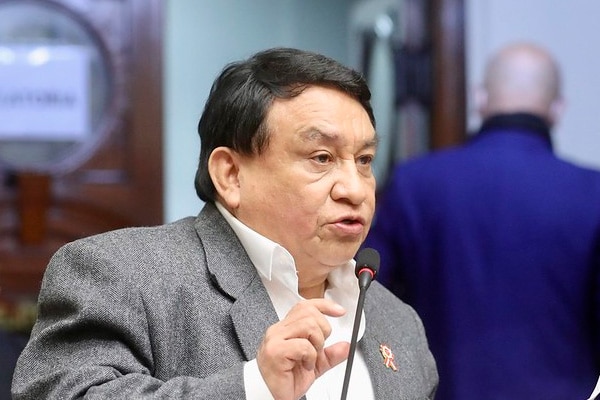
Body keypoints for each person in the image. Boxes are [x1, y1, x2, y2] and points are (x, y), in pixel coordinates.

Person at [11, 47, 438, 400]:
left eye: (364, 160)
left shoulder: (398, 321)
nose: (355, 189)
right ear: (231, 175)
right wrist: (254, 388)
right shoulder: (119, 274)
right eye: (321, 158)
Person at [363, 41, 600, 399]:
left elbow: (366, 294)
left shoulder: (416, 183)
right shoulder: (592, 193)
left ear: (479, 98)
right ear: (558, 108)